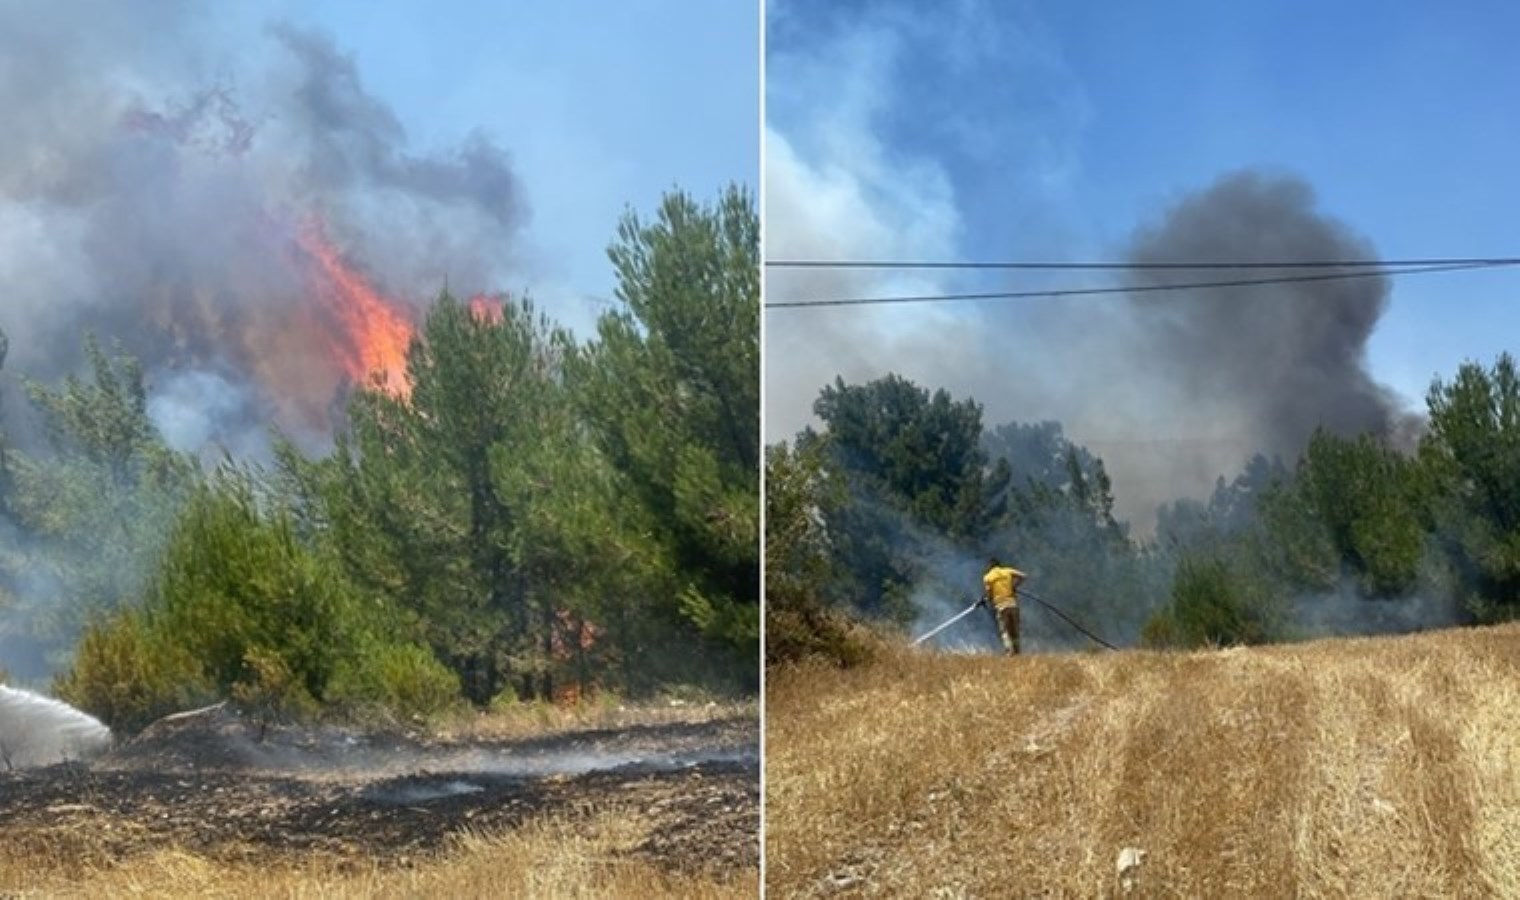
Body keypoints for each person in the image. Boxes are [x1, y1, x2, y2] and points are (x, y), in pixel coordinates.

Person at [981, 557, 1026, 655]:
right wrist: (1014, 586)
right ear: (999, 565)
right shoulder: (1007, 571)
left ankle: (1009, 652)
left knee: (1005, 630)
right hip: (1013, 605)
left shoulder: (988, 577)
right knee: (1015, 630)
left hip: (1001, 606)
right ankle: (1017, 652)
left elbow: (989, 594)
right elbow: (1023, 576)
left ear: (990, 566)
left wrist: (984, 600)